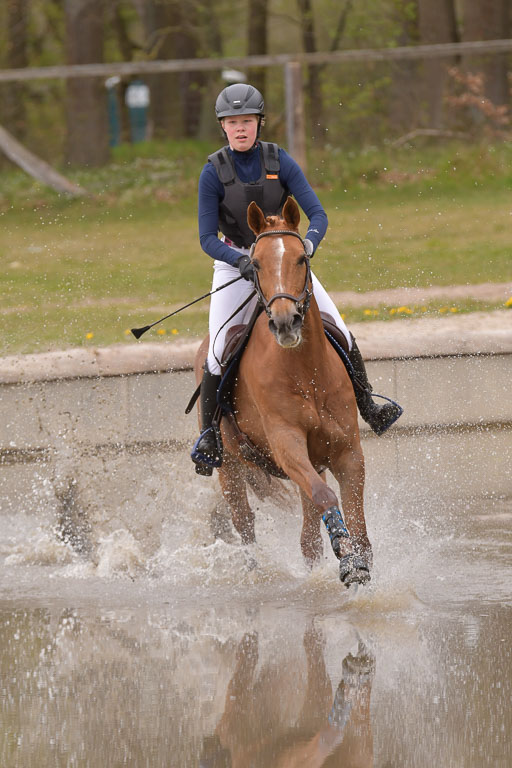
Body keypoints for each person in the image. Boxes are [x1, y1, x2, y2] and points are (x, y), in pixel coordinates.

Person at [192, 83, 402, 474]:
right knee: (219, 347)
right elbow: (206, 238)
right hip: (237, 260)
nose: (241, 129)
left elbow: (318, 215)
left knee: (339, 327)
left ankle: (369, 405)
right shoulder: (212, 172)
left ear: (259, 123)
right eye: (233, 123)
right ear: (223, 127)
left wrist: (305, 246)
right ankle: (211, 436)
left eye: (247, 122)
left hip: (287, 260)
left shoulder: (279, 160)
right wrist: (238, 262)